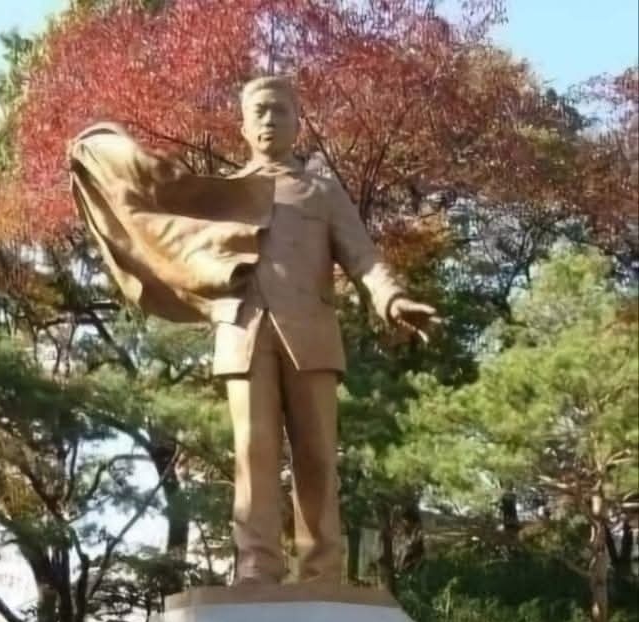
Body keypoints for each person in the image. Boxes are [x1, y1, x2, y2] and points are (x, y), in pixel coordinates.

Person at [70, 76, 438, 586]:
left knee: (317, 457)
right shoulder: (221, 197)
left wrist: (391, 297)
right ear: (243, 127)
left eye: (280, 110)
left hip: (311, 336)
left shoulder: (321, 191)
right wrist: (96, 153)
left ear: (298, 122)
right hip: (242, 334)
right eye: (259, 111)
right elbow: (154, 205)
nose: (269, 120)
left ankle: (322, 572)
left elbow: (363, 256)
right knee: (252, 454)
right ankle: (256, 568)